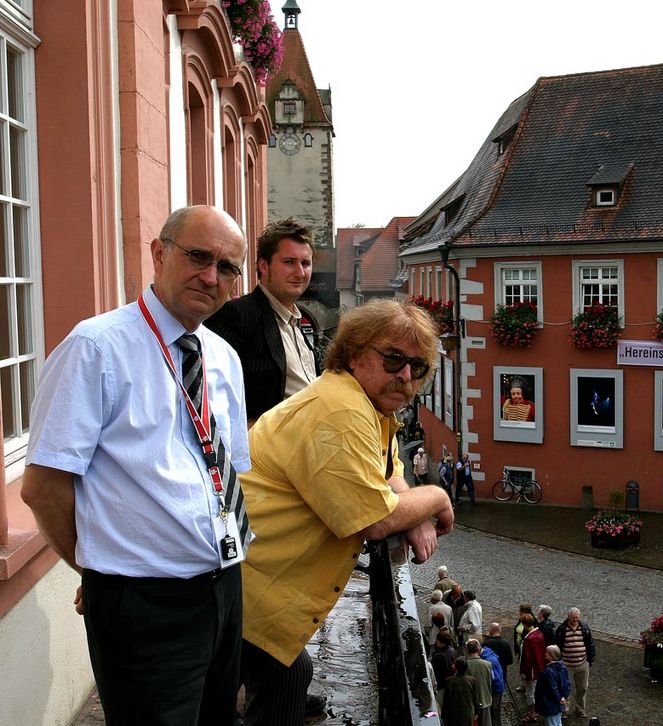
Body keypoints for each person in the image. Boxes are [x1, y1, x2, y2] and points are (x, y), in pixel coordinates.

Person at [21, 205, 251, 724]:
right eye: (198, 256)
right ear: (158, 253)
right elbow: (42, 487)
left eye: (227, 267)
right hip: (145, 603)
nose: (211, 276)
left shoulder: (222, 356)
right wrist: (100, 569)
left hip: (224, 585)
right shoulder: (96, 347)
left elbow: (227, 473)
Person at [238, 299, 455, 725]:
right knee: (273, 683)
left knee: (288, 677)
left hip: (255, 586)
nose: (406, 376)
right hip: (245, 591)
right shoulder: (341, 411)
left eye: (418, 367)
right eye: (393, 359)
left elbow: (388, 465)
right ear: (354, 353)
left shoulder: (366, 403)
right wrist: (436, 499)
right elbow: (375, 520)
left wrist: (408, 506)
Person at [205, 218, 322, 425]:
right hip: (268, 449)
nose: (300, 272)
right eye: (289, 262)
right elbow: (214, 396)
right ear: (263, 265)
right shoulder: (237, 315)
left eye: (305, 263)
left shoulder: (299, 323)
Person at [555, 607, 596, 719]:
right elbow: (557, 646)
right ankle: (565, 710)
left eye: (577, 618)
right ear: (568, 617)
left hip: (582, 664)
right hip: (566, 664)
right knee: (565, 688)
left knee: (582, 688)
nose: (575, 620)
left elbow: (591, 645)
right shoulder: (562, 629)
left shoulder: (584, 628)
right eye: (573, 618)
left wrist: (589, 660)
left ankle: (580, 709)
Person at [535, 645, 571, 726]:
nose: (545, 654)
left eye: (546, 653)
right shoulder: (563, 667)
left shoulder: (548, 671)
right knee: (558, 722)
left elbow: (552, 688)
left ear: (551, 656)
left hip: (550, 704)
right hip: (559, 702)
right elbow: (567, 683)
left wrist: (559, 698)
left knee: (552, 723)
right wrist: (564, 696)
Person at [519, 616, 546, 723]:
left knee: (531, 693)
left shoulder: (529, 639)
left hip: (531, 671)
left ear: (525, 624)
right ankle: (534, 711)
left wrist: (524, 672)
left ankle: (532, 713)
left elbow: (527, 658)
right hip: (540, 667)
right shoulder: (539, 634)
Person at [465, 639, 494, 726]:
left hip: (470, 703)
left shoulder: (465, 665)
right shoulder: (488, 664)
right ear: (478, 650)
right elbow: (492, 678)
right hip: (485, 699)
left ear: (467, 650)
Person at [442, 657, 477, 726]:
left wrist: (444, 715)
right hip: (467, 712)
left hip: (454, 713)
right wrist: (477, 711)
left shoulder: (449, 681)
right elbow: (475, 697)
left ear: (456, 667)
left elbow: (446, 700)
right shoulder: (472, 680)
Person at [430, 629, 457, 707]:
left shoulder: (439, 656)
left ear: (442, 643)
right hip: (449, 682)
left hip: (441, 684)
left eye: (438, 641)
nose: (436, 642)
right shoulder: (451, 650)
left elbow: (436, 671)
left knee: (441, 705)